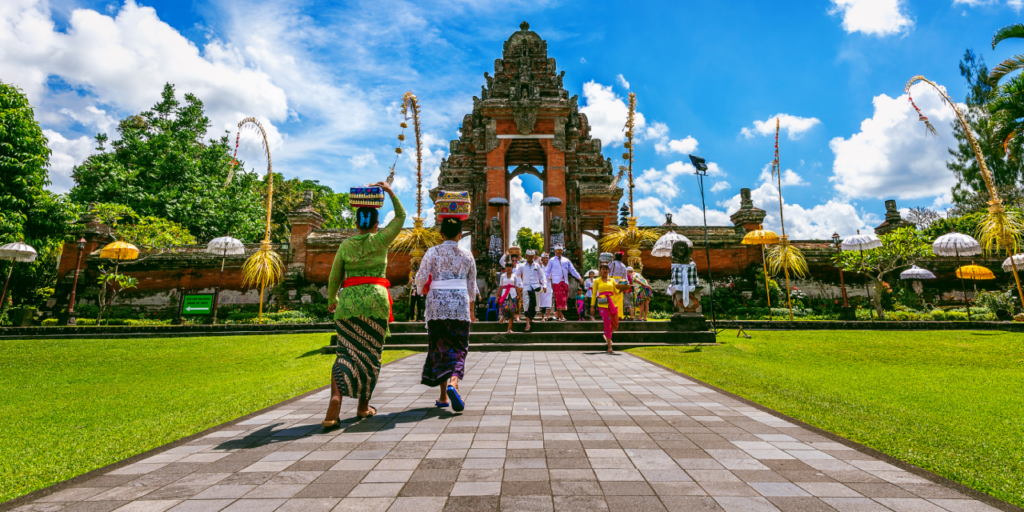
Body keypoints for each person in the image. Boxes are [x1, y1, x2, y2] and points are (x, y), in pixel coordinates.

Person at [323, 181, 404, 427]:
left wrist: (331, 300)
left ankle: (335, 400)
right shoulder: (381, 240)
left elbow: (335, 276)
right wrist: (389, 192)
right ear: (377, 224)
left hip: (348, 304)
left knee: (344, 352)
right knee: (370, 355)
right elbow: (401, 216)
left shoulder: (346, 245)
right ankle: (362, 406)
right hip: (376, 303)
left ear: (356, 223)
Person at [415, 215, 478, 412]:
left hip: (436, 305)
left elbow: (420, 277)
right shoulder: (467, 255)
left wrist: (420, 290)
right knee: (459, 347)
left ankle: (443, 396)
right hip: (459, 303)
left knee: (440, 347)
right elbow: (471, 286)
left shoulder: (432, 252)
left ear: (441, 234)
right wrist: (471, 311)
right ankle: (453, 382)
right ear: (460, 234)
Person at [545, 244, 582, 321]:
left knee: (564, 298)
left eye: (561, 251)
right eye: (558, 251)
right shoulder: (551, 260)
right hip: (556, 282)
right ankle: (562, 316)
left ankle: (557, 314)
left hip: (565, 282)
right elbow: (547, 271)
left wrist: (579, 277)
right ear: (555, 251)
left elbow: (572, 270)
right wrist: (545, 280)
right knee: (559, 298)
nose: (559, 252)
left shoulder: (566, 260)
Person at [590, 263, 621, 353]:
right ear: (600, 270)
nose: (604, 270)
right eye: (603, 269)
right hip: (602, 303)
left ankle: (606, 335)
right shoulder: (597, 281)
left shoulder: (612, 281)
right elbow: (594, 294)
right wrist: (592, 306)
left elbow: (616, 291)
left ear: (608, 270)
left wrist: (623, 288)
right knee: (607, 323)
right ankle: (609, 346)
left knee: (615, 325)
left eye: (606, 269)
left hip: (612, 303)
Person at [514, 249, 547, 332]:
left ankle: (530, 318)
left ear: (533, 257)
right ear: (526, 256)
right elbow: (515, 276)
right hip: (526, 287)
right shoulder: (521, 266)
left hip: (536, 287)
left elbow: (542, 276)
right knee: (526, 305)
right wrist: (509, 281)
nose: (530, 258)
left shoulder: (537, 266)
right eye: (528, 256)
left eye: (531, 256)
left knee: (535, 305)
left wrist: (545, 285)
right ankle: (527, 323)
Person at [497, 261, 522, 333]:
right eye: (507, 266)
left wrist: (520, 297)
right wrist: (497, 296)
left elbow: (517, 287)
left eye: (510, 267)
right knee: (506, 308)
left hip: (513, 295)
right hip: (505, 295)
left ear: (512, 268)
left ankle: (509, 328)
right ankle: (503, 317)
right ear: (505, 268)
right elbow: (500, 286)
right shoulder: (502, 276)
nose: (509, 268)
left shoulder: (514, 277)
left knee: (512, 312)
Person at [608, 253, 628, 319]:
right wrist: (626, 285)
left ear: (615, 257)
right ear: (621, 258)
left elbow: (606, 271)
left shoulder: (611, 263)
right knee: (619, 299)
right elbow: (625, 277)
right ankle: (619, 315)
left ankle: (612, 314)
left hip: (611, 281)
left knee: (611, 298)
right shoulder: (623, 266)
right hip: (620, 283)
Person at [537, 253, 554, 320]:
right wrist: (539, 280)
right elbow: (537, 275)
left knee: (548, 301)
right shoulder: (540, 267)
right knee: (542, 302)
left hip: (548, 285)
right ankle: (543, 317)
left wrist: (551, 277)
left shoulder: (551, 267)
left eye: (547, 258)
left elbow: (553, 275)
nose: (546, 259)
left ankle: (548, 316)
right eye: (545, 258)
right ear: (542, 259)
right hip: (541, 286)